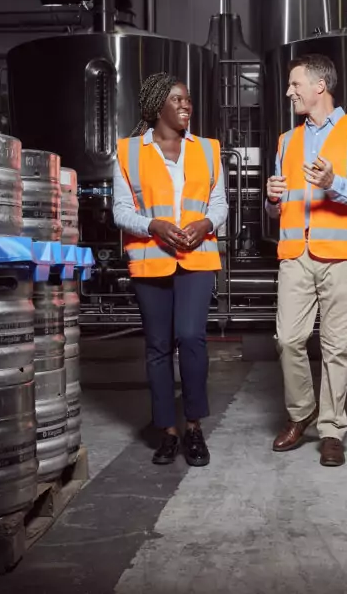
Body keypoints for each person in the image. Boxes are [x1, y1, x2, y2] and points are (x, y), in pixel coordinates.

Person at [265, 53, 347, 467]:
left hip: (343, 255)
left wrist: (335, 184)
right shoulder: (287, 141)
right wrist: (271, 198)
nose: (288, 91)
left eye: (295, 83)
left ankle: (331, 429)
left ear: (319, 86)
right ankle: (302, 413)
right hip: (296, 252)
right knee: (288, 339)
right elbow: (278, 206)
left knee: (335, 347)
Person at [112, 72, 228, 467]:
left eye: (188, 100)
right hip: (150, 260)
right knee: (158, 347)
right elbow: (121, 210)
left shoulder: (209, 149)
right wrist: (153, 226)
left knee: (191, 337)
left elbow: (220, 202)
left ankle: (194, 428)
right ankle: (168, 431)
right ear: (156, 104)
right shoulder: (128, 151)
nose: (186, 105)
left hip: (197, 258)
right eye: (177, 99)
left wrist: (206, 225)